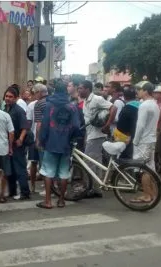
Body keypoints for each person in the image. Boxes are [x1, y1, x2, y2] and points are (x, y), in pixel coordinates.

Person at [36, 79, 82, 209]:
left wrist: (41, 140)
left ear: (55, 90)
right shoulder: (72, 106)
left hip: (51, 143)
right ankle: (61, 200)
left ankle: (48, 201)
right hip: (66, 145)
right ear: (66, 90)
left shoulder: (49, 105)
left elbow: (44, 125)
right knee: (63, 174)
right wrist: (72, 139)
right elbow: (76, 126)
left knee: (48, 172)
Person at [78, 80, 117, 198]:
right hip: (91, 135)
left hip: (96, 136)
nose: (79, 90)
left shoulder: (96, 99)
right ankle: (97, 188)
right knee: (96, 162)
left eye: (81, 88)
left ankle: (89, 188)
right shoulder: (85, 101)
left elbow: (113, 108)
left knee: (88, 163)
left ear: (87, 89)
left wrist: (107, 125)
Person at [131, 81, 160, 203]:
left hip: (144, 140)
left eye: (140, 90)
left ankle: (147, 195)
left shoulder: (144, 105)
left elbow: (140, 126)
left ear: (146, 91)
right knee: (150, 168)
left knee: (143, 169)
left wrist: (135, 141)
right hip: (151, 139)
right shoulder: (154, 104)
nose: (137, 92)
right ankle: (152, 193)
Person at [4, 86, 31, 200]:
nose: (8, 98)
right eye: (6, 96)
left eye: (10, 97)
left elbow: (25, 127)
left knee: (20, 168)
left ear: (15, 98)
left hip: (17, 144)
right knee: (10, 168)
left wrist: (20, 139)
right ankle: (12, 190)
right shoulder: (6, 109)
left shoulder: (19, 110)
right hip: (8, 143)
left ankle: (25, 192)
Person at [114, 86, 140, 159]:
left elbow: (121, 127)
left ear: (124, 97)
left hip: (129, 139)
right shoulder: (141, 106)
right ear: (135, 96)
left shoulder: (126, 109)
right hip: (141, 137)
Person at [26, 84, 43, 192]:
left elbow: (28, 122)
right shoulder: (32, 105)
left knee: (34, 162)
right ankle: (47, 186)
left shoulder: (31, 105)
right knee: (41, 163)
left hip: (34, 137)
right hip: (40, 138)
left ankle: (33, 186)